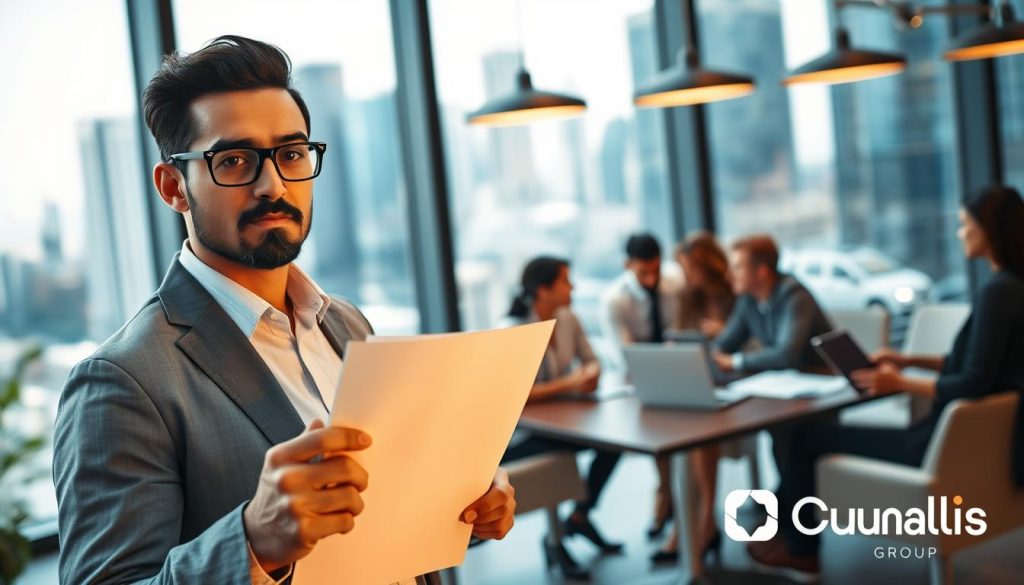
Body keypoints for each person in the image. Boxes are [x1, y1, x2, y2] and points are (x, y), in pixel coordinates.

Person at [52, 36, 515, 585]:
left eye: (291, 154)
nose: (272, 185)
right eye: (235, 160)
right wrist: (253, 543)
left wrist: (462, 493)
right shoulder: (122, 382)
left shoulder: (345, 323)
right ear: (174, 186)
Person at [746, 185, 1024, 582]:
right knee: (809, 433)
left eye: (965, 225)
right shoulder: (1014, 290)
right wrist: (906, 358)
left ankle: (802, 550)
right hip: (960, 448)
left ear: (989, 230)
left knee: (803, 434)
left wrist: (900, 382)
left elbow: (972, 384)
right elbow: (974, 365)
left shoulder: (997, 293)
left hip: (929, 446)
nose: (959, 233)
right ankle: (789, 534)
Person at [501, 256, 623, 580]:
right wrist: (570, 383)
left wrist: (592, 373)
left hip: (563, 419)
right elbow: (516, 395)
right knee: (564, 453)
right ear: (543, 290)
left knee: (613, 443)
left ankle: (580, 516)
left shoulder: (568, 318)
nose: (573, 287)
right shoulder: (513, 329)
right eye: (566, 281)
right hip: (521, 434)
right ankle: (555, 541)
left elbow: (591, 359)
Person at [651, 232, 737, 565]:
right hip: (703, 380)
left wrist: (723, 332)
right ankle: (694, 523)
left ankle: (700, 523)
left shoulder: (735, 293)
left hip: (738, 383)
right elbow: (683, 334)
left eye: (689, 267)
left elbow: (752, 343)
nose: (685, 275)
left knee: (701, 435)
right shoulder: (688, 298)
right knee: (680, 429)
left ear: (705, 265)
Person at [711, 234, 833, 375]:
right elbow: (725, 343)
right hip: (787, 379)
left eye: (737, 267)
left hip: (823, 376)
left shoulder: (795, 295)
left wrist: (734, 362)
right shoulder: (747, 299)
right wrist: (711, 355)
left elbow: (786, 355)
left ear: (761, 271)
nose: (728, 275)